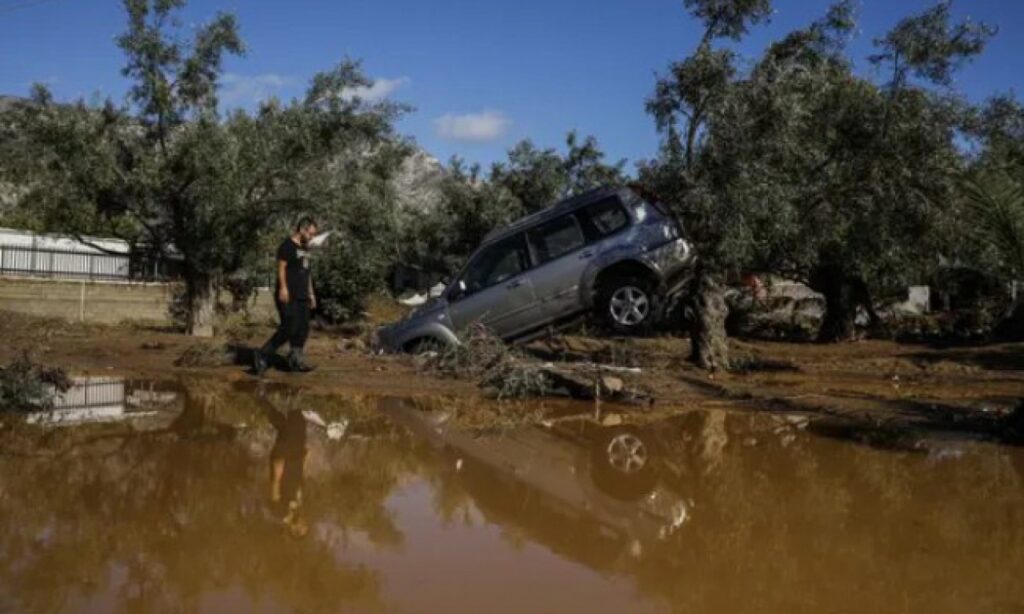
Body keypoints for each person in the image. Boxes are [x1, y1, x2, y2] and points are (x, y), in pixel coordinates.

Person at [254, 217, 319, 375]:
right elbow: (281, 268)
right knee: (289, 326)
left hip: (303, 294)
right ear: (302, 230)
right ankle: (263, 354)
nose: (311, 238)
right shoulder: (287, 246)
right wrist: (283, 288)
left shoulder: (305, 248)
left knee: (302, 328)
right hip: (288, 294)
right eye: (310, 234)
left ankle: (295, 360)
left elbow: (307, 272)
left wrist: (311, 293)